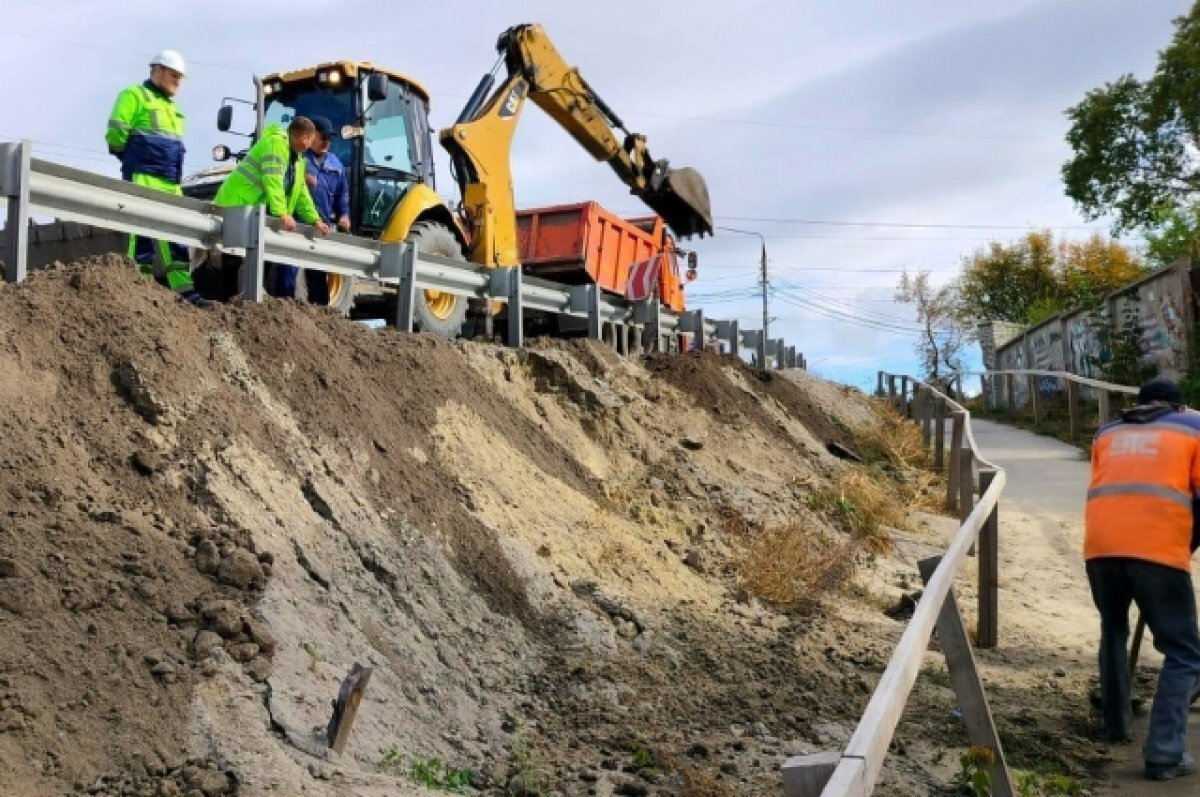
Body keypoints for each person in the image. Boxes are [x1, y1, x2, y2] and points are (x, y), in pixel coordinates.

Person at [1084, 376, 1200, 781]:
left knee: (1112, 629)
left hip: (1100, 549)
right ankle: (1165, 753)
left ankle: (1116, 725)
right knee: (1184, 653)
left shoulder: (1107, 432)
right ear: (1178, 406)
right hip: (1157, 550)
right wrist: (1186, 544)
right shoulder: (1194, 427)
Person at [105, 49, 210, 308]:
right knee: (141, 235)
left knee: (176, 238)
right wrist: (130, 159)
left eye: (180, 77)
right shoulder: (134, 95)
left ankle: (184, 290)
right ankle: (138, 289)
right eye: (174, 75)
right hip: (143, 175)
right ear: (157, 70)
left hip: (171, 181)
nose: (178, 81)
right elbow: (116, 134)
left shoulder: (173, 109)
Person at [213, 116, 330, 295]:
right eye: (310, 140)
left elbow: (301, 194)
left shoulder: (297, 160)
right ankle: (227, 302)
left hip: (253, 208)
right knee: (233, 256)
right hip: (237, 202)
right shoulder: (276, 144)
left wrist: (315, 219)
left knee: (259, 256)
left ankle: (247, 300)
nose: (310, 146)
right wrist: (282, 212)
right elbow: (273, 180)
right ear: (303, 137)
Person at [270, 116, 350, 303]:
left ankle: (320, 315)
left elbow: (342, 194)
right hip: (295, 223)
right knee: (288, 268)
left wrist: (344, 215)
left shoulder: (336, 165)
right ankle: (283, 307)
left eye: (330, 138)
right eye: (323, 137)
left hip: (320, 225)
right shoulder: (299, 157)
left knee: (318, 274)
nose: (327, 142)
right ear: (311, 136)